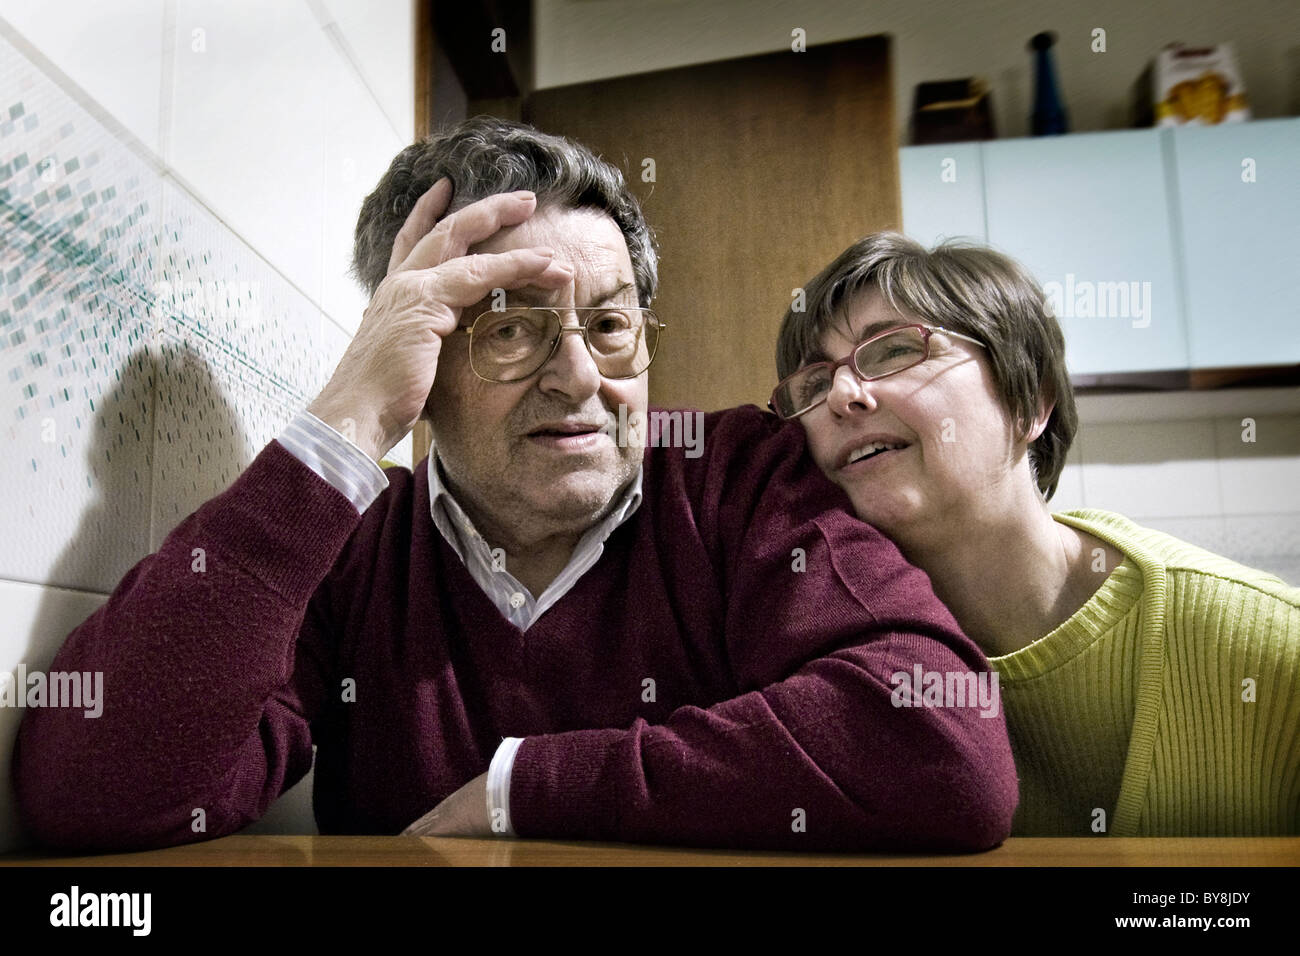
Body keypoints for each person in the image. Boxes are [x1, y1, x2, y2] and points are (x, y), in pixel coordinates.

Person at [14, 120, 1017, 852]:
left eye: (611, 323)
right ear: (421, 355)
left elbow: (938, 744)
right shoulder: (354, 546)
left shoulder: (740, 477)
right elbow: (91, 795)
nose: (581, 375)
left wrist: (524, 784)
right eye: (509, 326)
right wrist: (347, 424)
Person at [771, 231, 1300, 836]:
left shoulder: (1268, 645)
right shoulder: (809, 659)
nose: (842, 395)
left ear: (1032, 400)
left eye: (892, 352)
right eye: (813, 383)